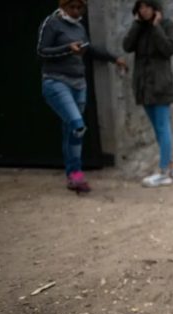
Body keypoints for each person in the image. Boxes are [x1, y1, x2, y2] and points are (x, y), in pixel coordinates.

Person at [38, 0, 127, 193]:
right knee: (78, 125)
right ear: (64, 7)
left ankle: (73, 176)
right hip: (56, 82)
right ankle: (76, 174)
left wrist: (113, 58)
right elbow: (42, 52)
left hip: (79, 83)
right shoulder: (52, 23)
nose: (77, 12)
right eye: (73, 8)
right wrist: (67, 48)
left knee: (70, 130)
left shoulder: (79, 26)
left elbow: (89, 49)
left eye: (81, 8)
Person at [123, 0, 173, 188]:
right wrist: (136, 25)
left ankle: (164, 172)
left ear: (155, 8)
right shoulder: (139, 28)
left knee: (163, 127)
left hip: (160, 84)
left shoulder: (167, 25)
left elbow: (168, 49)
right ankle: (169, 165)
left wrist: (156, 27)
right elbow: (127, 46)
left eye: (147, 6)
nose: (143, 10)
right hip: (143, 85)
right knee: (157, 128)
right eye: (140, 7)